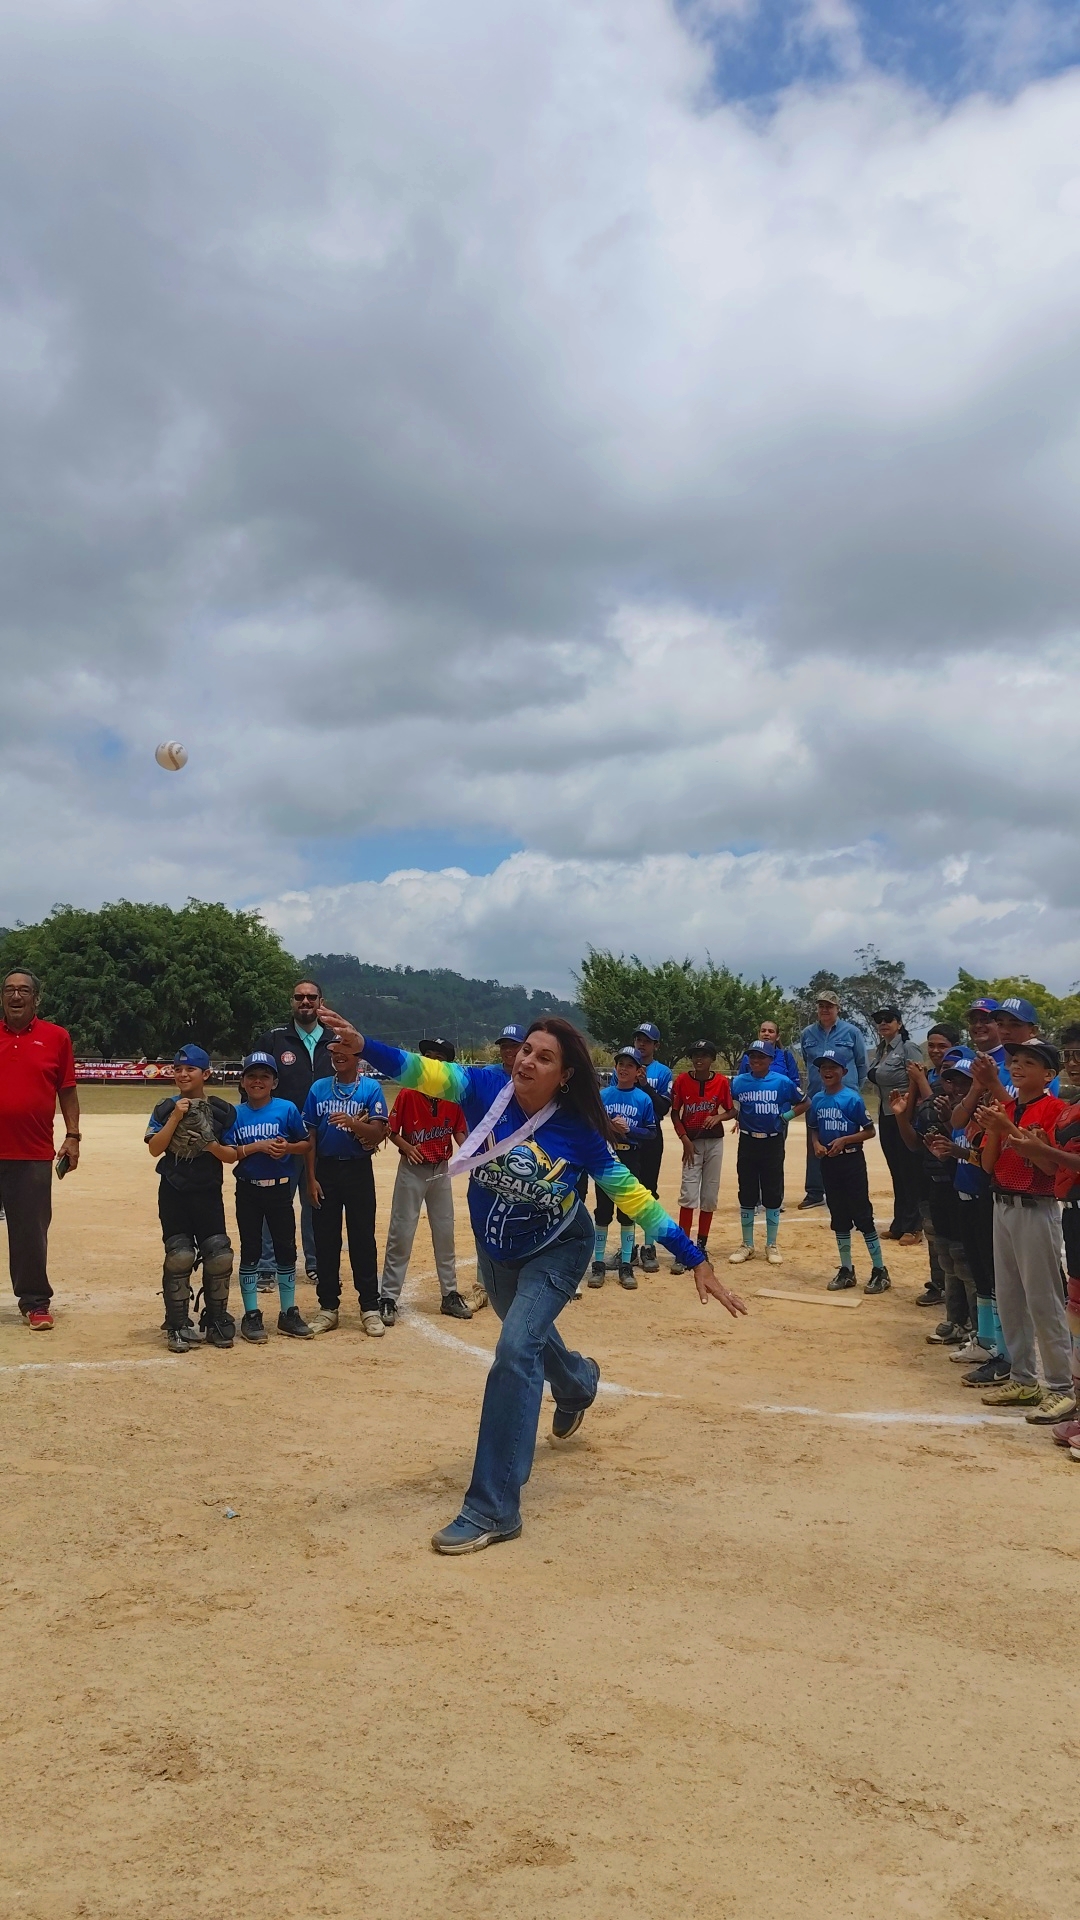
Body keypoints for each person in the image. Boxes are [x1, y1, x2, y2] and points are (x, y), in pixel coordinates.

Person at [321, 1012, 746, 1554]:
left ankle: (493, 1507)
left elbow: (633, 1195)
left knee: (515, 1350)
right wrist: (365, 1046)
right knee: (532, 1343)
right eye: (527, 1050)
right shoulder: (482, 1086)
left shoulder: (580, 1129)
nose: (526, 1060)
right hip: (497, 1255)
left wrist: (695, 1259)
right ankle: (578, 1383)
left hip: (557, 1251)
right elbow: (419, 1071)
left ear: (564, 1075)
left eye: (544, 1057)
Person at [977, 1040, 1074, 1423]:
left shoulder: (1055, 1110)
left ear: (1049, 1075)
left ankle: (1061, 1385)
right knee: (1011, 1296)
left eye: (1028, 1062)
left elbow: (1049, 1169)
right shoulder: (1006, 1107)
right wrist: (999, 1130)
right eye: (1014, 1061)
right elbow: (988, 1164)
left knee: (1044, 1299)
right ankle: (1023, 1377)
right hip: (1003, 1205)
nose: (1017, 1067)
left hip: (1036, 1208)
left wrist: (1007, 1128)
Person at [0, 970, 80, 1331]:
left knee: (30, 1232)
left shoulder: (56, 1037)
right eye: (9, 990)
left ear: (36, 999)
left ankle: (34, 1302)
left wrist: (73, 1135)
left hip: (31, 1152)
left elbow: (67, 1089)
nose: (16, 996)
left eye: (24, 991)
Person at [145, 1045, 237, 1352]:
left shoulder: (222, 1110)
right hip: (174, 1190)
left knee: (219, 1254)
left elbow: (230, 1155)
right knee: (180, 1254)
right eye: (178, 1069)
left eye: (191, 1069)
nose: (183, 1074)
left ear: (206, 1073)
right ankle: (177, 1323)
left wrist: (210, 1144)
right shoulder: (164, 1107)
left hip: (208, 1190)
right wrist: (175, 1118)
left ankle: (216, 1318)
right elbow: (155, 1148)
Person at [302, 1031, 389, 1337]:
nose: (338, 1055)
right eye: (333, 1051)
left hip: (357, 1170)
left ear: (357, 1056)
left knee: (363, 1238)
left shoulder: (370, 1088)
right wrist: (310, 1177)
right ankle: (328, 1307)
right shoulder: (319, 1088)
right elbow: (309, 1136)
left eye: (344, 1050)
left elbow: (378, 1134)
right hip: (325, 1169)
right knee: (326, 1240)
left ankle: (369, 1306)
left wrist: (354, 1123)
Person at [379, 1038, 471, 1326]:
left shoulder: (453, 1097)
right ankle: (388, 1297)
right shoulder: (408, 1094)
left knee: (445, 1233)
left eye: (439, 1058)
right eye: (428, 1056)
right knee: (401, 1233)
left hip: (440, 1170)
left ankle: (450, 1293)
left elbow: (460, 1133)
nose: (433, 1061)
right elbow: (391, 1130)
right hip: (412, 1169)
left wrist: (472, 1152)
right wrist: (407, 1147)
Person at [226, 1051, 316, 1344]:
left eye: (265, 1076)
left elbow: (305, 1143)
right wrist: (255, 1147)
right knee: (250, 1249)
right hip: (249, 1188)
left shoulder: (286, 1109)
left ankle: (288, 1311)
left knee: (285, 1249)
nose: (257, 1081)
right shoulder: (235, 1114)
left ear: (275, 1082)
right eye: (251, 1076)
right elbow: (228, 1153)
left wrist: (287, 1149)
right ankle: (252, 1314)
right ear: (242, 1081)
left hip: (279, 1188)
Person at [253, 980, 337, 1286]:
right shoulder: (274, 1040)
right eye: (300, 997)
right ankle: (267, 1264)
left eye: (311, 997)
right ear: (292, 1002)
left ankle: (316, 1262)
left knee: (316, 1201)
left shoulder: (334, 1039)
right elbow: (252, 1084)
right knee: (274, 1202)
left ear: (320, 1001)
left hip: (324, 1139)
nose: (305, 1002)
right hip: (282, 1140)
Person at [806, 1051, 891, 1293]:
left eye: (833, 1067)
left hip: (851, 1161)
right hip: (829, 1164)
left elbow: (869, 1131)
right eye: (823, 1067)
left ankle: (879, 1269)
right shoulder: (818, 1099)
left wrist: (845, 1140)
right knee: (839, 1216)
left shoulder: (851, 1098)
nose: (827, 1071)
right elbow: (814, 1128)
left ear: (844, 1071)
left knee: (862, 1215)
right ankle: (846, 1269)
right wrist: (816, 1144)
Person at [728, 1041, 806, 1266]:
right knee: (747, 1191)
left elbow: (804, 1102)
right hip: (748, 1141)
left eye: (761, 1057)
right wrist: (736, 1117)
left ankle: (771, 1243)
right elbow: (729, 1103)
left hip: (772, 1142)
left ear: (771, 1059)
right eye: (752, 1056)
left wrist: (785, 1117)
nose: (756, 1061)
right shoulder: (740, 1082)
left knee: (772, 1192)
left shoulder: (782, 1082)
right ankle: (747, 1244)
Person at [591, 1046, 657, 1289]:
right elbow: (592, 1125)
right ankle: (598, 1263)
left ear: (638, 1071)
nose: (623, 1068)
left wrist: (629, 1130)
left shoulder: (643, 1099)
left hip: (631, 1158)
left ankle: (626, 1264)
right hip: (606, 1157)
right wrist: (608, 1126)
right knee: (603, 1211)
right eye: (620, 1064)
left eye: (629, 1065)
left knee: (627, 1212)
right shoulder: (604, 1095)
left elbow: (651, 1133)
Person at [799, 991, 867, 1209]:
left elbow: (862, 1063)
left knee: (847, 1143)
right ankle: (815, 1191)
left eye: (829, 1005)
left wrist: (854, 1090)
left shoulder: (852, 1032)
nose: (825, 1009)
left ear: (838, 1008)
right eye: (821, 1005)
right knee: (815, 1142)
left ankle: (846, 1189)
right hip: (817, 1097)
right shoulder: (807, 1034)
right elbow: (807, 1061)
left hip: (845, 1097)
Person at [669, 1041, 733, 1269]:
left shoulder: (722, 1082)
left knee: (709, 1195)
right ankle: (683, 1248)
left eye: (705, 1055)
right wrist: (684, 1139)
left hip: (714, 1142)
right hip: (692, 1143)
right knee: (688, 1194)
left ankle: (701, 1245)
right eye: (696, 1055)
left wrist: (718, 1117)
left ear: (712, 1059)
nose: (699, 1059)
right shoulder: (682, 1081)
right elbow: (675, 1113)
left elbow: (732, 1110)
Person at [867, 1007, 924, 1243]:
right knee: (897, 1171)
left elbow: (918, 1080)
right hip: (886, 1114)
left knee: (910, 1171)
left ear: (899, 1024)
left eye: (888, 1019)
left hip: (905, 1116)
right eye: (879, 1020)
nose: (883, 1023)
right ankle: (900, 1222)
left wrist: (908, 1112)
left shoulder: (908, 1048)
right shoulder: (881, 1049)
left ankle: (914, 1227)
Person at [629, 1023, 673, 1273]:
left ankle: (648, 1247)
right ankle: (629, 1248)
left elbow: (663, 1108)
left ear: (656, 1045)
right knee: (626, 1192)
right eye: (638, 1038)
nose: (641, 1043)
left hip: (650, 1137)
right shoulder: (624, 1067)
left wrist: (645, 1085)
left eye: (647, 1040)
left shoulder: (663, 1072)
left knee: (648, 1191)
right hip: (627, 1139)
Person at [736, 1020, 801, 1087]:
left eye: (771, 1031)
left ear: (777, 1036)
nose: (766, 1034)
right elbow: (741, 1083)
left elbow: (795, 1085)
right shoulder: (747, 1057)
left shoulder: (786, 1056)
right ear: (759, 1035)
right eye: (763, 1031)